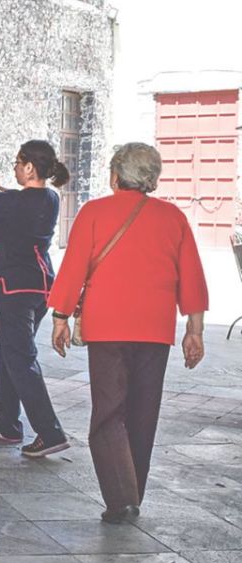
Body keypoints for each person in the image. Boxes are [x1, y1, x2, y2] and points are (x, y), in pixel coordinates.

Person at [49, 142, 207, 524]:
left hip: (108, 329)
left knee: (108, 413)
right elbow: (192, 277)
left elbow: (73, 267)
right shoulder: (173, 218)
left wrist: (61, 317)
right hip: (155, 330)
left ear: (115, 175)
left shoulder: (94, 212)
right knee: (143, 412)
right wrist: (195, 331)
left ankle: (122, 499)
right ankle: (133, 491)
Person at [0, 140, 71, 459]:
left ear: (30, 167)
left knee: (20, 358)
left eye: (18, 163)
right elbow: (17, 200)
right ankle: (8, 422)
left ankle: (50, 432)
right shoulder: (50, 197)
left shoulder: (14, 203)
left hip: (13, 289)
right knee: (7, 350)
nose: (16, 168)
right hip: (40, 286)